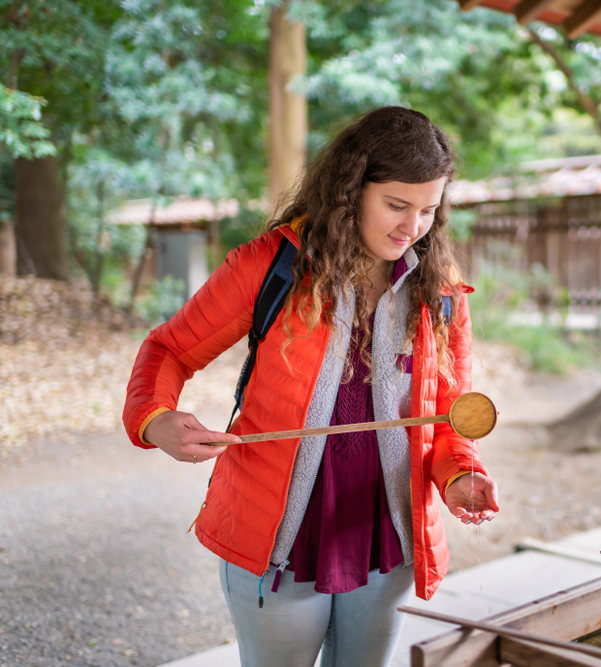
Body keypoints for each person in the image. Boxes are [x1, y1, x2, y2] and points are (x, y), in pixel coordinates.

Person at [122, 106, 500, 667]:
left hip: (385, 536)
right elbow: (169, 349)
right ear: (351, 190)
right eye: (396, 205)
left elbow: (447, 418)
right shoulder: (270, 264)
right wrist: (156, 420)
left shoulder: (441, 292)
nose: (412, 226)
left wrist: (460, 474)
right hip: (277, 537)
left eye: (428, 209)